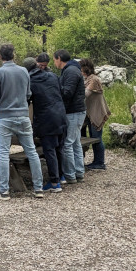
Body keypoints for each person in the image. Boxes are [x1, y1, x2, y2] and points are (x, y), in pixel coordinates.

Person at [0, 45, 45, 200]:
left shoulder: (0, 72)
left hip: (5, 117)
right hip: (24, 116)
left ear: (0, 56)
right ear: (14, 55)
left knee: (4, 154)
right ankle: (38, 188)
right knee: (32, 152)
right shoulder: (24, 71)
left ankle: (4, 191)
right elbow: (28, 93)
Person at [23, 57, 67, 193]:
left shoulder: (30, 80)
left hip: (45, 118)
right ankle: (61, 176)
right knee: (59, 147)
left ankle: (54, 183)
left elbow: (27, 99)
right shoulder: (52, 76)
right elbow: (61, 91)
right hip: (60, 114)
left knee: (49, 150)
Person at [54, 49, 87, 183]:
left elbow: (67, 92)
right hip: (76, 111)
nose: (54, 62)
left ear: (59, 58)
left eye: (55, 59)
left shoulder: (71, 71)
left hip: (73, 112)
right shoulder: (72, 70)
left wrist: (56, 90)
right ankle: (79, 172)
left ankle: (70, 175)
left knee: (68, 144)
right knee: (75, 143)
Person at [80, 58, 111, 171]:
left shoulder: (94, 80)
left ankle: (99, 162)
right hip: (87, 112)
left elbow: (85, 94)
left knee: (96, 137)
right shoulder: (86, 79)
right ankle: (83, 160)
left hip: (96, 112)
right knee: (84, 136)